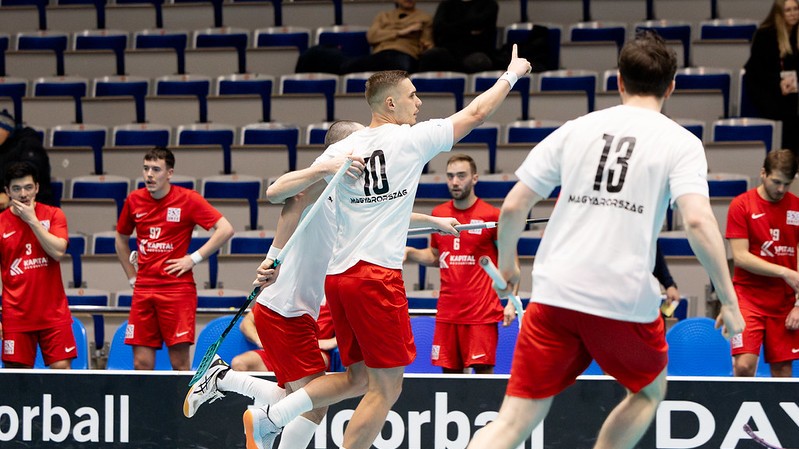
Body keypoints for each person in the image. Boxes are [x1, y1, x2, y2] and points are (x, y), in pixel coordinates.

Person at [241, 47, 532, 449]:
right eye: (413, 96)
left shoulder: (346, 147)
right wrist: (512, 74)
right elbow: (477, 113)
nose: (419, 103)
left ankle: (274, 415)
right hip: (376, 278)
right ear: (391, 103)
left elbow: (281, 194)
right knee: (388, 388)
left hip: (339, 282)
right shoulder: (410, 140)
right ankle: (274, 417)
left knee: (360, 378)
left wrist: (431, 221)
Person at [465, 31, 745, 449]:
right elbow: (698, 221)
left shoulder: (577, 129)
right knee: (648, 392)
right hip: (622, 299)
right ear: (671, 87)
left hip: (556, 294)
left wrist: (507, 264)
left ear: (618, 81)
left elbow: (514, 206)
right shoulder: (681, 142)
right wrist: (729, 300)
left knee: (511, 422)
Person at [115, 147, 234, 371]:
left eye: (156, 169)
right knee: (141, 363)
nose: (149, 175)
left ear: (169, 173)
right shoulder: (134, 200)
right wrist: (132, 278)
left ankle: (181, 397)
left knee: (179, 363)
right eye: (146, 168)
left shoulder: (188, 199)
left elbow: (225, 229)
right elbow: (120, 240)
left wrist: (193, 258)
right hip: (143, 289)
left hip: (177, 289)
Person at [404, 154, 516, 374]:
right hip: (447, 313)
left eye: (461, 176)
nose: (455, 182)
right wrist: (410, 253)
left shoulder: (491, 215)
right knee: (449, 381)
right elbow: (437, 256)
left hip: (481, 314)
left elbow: (511, 261)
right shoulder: (439, 215)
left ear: (474, 178)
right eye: (450, 176)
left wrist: (511, 302)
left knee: (483, 379)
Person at [726, 148, 799, 377]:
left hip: (785, 303)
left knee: (783, 371)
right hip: (748, 299)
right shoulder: (741, 205)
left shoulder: (796, 207)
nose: (781, 189)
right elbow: (740, 256)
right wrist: (784, 272)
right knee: (743, 365)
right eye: (776, 182)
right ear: (763, 173)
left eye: (787, 184)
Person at [0, 162, 75, 369]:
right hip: (16, 316)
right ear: (7, 191)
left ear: (37, 188)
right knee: (17, 380)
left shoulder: (54, 215)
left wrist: (32, 220)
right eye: (16, 189)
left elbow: (57, 252)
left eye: (28, 187)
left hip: (54, 314)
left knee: (62, 373)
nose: (23, 194)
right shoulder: (1, 223)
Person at [744, 0, 799, 154]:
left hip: (793, 96)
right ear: (779, 14)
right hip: (768, 95)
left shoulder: (797, 33)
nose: (793, 14)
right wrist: (778, 82)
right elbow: (756, 72)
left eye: (796, 9)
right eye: (788, 10)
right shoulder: (765, 35)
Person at [230, 302, 337, 372]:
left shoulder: (331, 289)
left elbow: (349, 324)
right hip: (278, 351)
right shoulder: (281, 290)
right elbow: (247, 322)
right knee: (239, 363)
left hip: (314, 352)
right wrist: (259, 340)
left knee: (297, 370)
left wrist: (333, 341)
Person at [417, 0, 501, 73]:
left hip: (477, 50)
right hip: (449, 50)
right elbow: (439, 28)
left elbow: (479, 22)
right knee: (430, 56)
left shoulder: (489, 4)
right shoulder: (446, 4)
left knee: (478, 62)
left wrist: (452, 28)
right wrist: (468, 29)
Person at [0, 109, 55, 209]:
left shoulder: (27, 141)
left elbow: (30, 171)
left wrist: (8, 195)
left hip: (36, 205)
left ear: (5, 128)